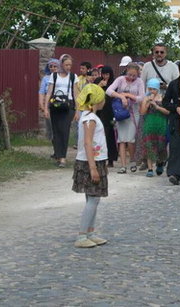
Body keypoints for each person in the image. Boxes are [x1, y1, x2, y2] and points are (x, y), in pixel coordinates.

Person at [72, 84, 109, 248]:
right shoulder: (90, 119)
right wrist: (93, 168)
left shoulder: (88, 116)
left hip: (95, 160)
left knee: (93, 198)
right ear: (96, 100)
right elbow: (88, 143)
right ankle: (81, 236)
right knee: (93, 199)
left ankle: (90, 232)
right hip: (89, 162)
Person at [106, 63, 144, 174]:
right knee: (121, 139)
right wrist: (121, 96)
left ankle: (132, 161)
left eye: (134, 75)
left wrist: (130, 96)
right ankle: (123, 165)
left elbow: (141, 97)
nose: (131, 77)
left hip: (133, 113)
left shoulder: (139, 82)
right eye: (129, 74)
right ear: (126, 71)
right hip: (121, 112)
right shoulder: (120, 79)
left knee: (131, 139)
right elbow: (109, 91)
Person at [43, 54, 78, 168]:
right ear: (61, 64)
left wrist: (77, 110)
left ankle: (63, 157)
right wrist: (45, 108)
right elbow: (49, 92)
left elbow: (76, 94)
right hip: (56, 105)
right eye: (67, 64)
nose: (69, 67)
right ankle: (58, 155)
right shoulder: (54, 76)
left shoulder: (73, 76)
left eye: (70, 65)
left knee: (64, 130)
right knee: (56, 130)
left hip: (68, 106)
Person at [140, 78, 169, 177]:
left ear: (157, 89)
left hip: (161, 123)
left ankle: (160, 163)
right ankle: (150, 168)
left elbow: (167, 112)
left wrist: (157, 107)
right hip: (149, 123)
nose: (151, 91)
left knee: (161, 145)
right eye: (150, 89)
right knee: (149, 145)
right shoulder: (146, 98)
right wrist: (147, 103)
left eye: (153, 89)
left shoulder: (163, 97)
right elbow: (142, 112)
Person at [96, 66, 118, 167]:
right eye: (103, 74)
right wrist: (99, 85)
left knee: (110, 135)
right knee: (99, 135)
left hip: (110, 112)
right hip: (99, 111)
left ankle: (110, 159)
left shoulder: (114, 83)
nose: (105, 76)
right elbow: (92, 92)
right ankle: (99, 157)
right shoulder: (98, 81)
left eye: (107, 74)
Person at [38, 58, 60, 157]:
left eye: (55, 66)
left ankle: (61, 151)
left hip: (60, 104)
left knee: (59, 128)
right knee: (51, 128)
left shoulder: (62, 77)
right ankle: (56, 151)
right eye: (51, 66)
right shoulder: (46, 78)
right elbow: (42, 92)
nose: (53, 68)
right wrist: (42, 105)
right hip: (49, 104)